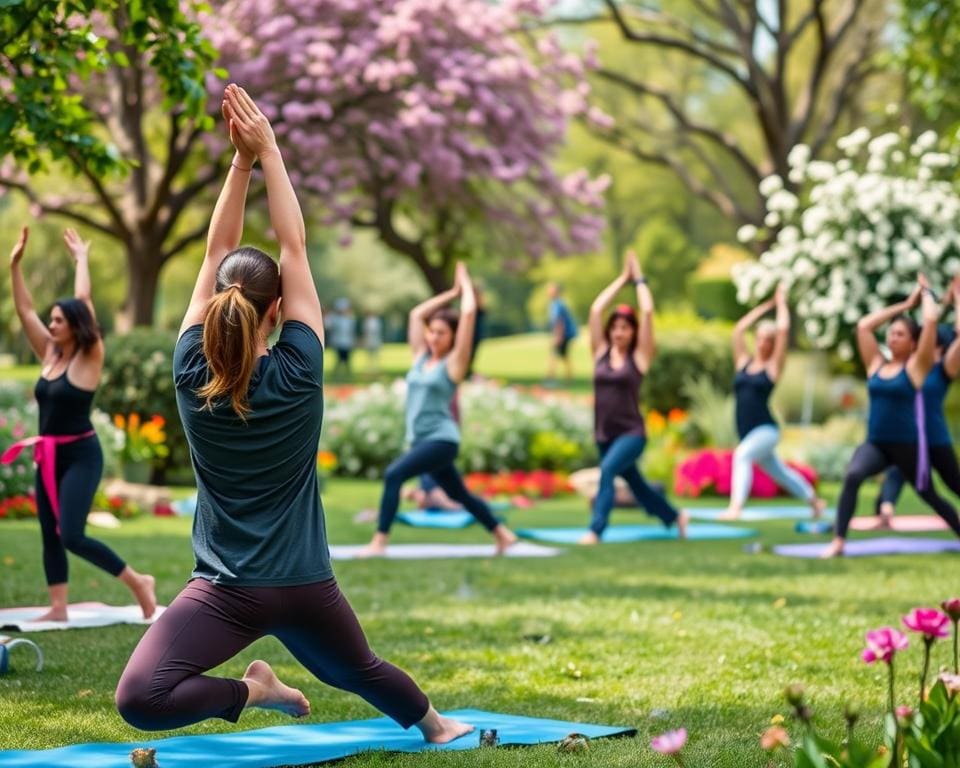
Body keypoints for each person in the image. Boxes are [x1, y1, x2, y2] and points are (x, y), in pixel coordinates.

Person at [115, 85, 471, 745]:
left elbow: (214, 250)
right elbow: (294, 246)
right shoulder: (301, 371)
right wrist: (269, 151)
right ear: (276, 311)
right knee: (359, 670)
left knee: (140, 699)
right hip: (302, 584)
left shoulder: (192, 371)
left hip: (225, 589)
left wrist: (239, 164)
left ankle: (257, 692)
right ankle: (435, 724)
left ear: (221, 303)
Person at [3, 227, 156, 623]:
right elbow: (24, 310)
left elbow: (83, 301)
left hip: (81, 454)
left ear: (74, 324)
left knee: (71, 533)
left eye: (58, 320)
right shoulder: (49, 354)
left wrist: (82, 260)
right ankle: (58, 607)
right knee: (49, 531)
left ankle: (138, 581)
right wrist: (14, 265)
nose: (51, 325)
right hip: (47, 454)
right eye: (50, 319)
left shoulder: (89, 357)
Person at [360, 263, 518, 557]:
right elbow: (416, 315)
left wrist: (466, 288)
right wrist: (451, 293)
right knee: (459, 494)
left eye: (441, 333)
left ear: (453, 338)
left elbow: (469, 313)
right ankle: (501, 534)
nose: (433, 337)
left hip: (442, 439)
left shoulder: (454, 364)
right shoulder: (421, 357)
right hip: (421, 440)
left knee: (394, 475)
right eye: (432, 332)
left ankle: (379, 542)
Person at [823, 276, 960, 558]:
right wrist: (904, 305)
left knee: (930, 495)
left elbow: (931, 322)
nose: (892, 337)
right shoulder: (876, 363)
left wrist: (925, 296)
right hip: (877, 444)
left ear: (913, 343)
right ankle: (838, 542)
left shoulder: (916, 368)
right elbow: (864, 326)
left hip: (908, 446)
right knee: (852, 475)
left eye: (900, 334)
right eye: (891, 333)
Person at [578, 251, 689, 545]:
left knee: (608, 471)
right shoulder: (599, 353)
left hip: (631, 433)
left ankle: (596, 530)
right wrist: (621, 279)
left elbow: (649, 313)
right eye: (614, 327)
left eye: (625, 328)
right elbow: (595, 310)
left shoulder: (639, 358)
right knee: (638, 487)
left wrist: (639, 280)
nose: (618, 332)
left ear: (633, 332)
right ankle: (674, 517)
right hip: (604, 434)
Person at [719, 285, 826, 520]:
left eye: (768, 340)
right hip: (747, 431)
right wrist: (764, 307)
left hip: (766, 429)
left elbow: (784, 329)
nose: (762, 343)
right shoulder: (744, 362)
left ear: (773, 343)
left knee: (742, 456)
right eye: (760, 338)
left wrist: (781, 305)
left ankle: (735, 508)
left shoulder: (773, 368)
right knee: (781, 473)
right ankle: (814, 502)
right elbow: (738, 331)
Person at [874, 298, 960, 524]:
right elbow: (928, 324)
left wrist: (957, 299)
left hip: (934, 438)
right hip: (909, 436)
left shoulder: (943, 370)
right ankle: (885, 509)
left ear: (940, 348)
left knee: (954, 483)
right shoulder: (910, 367)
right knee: (895, 473)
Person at [546, 282, 577, 383]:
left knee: (554, 354)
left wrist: (558, 337)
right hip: (565, 334)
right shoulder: (555, 304)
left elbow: (560, 322)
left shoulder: (558, 305)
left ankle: (551, 379)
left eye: (551, 289)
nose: (549, 292)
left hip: (565, 334)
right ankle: (568, 378)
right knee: (563, 356)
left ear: (557, 292)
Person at [327, 298, 356, 378]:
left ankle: (348, 375)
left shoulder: (350, 319)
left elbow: (351, 332)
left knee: (347, 361)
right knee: (338, 360)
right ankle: (336, 375)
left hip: (347, 342)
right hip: (338, 342)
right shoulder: (335, 319)